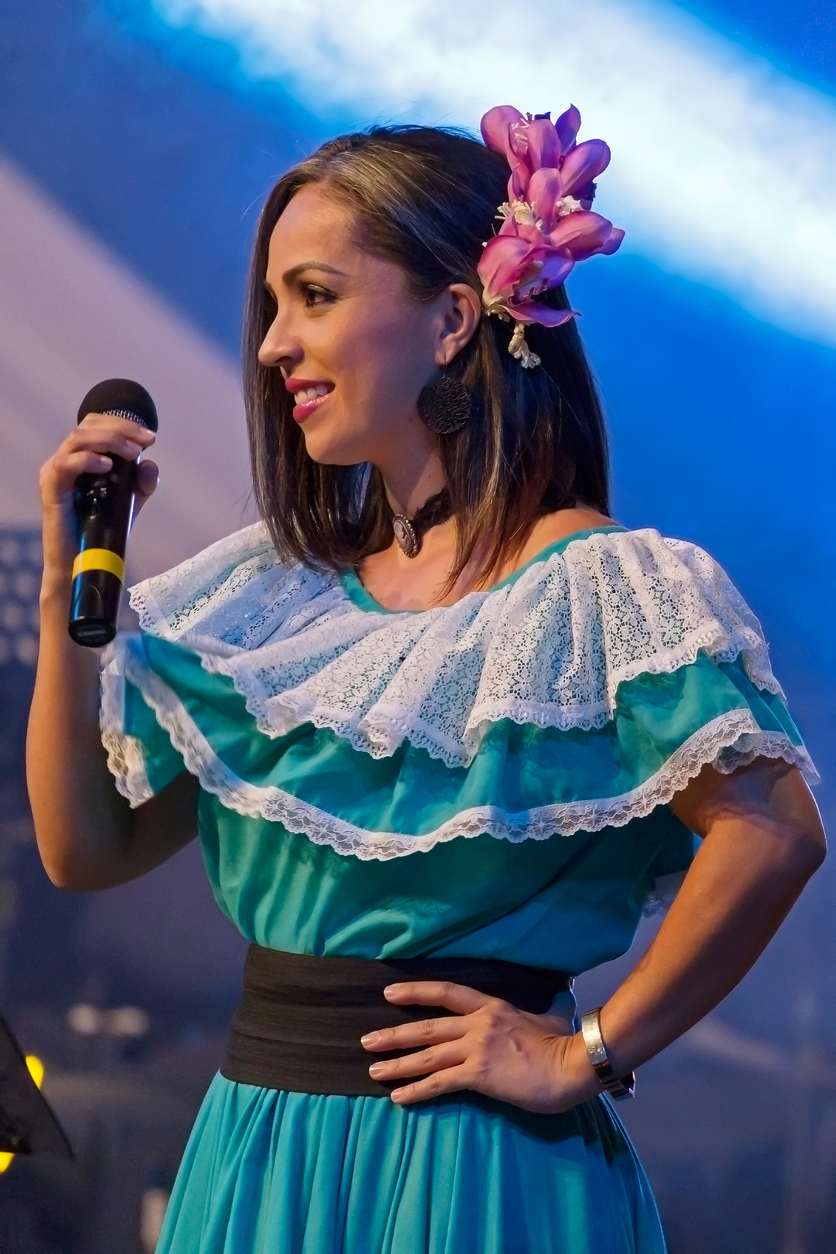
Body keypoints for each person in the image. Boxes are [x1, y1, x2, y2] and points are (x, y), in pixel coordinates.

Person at [27, 105, 826, 1254]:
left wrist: (582, 1051)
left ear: (453, 318)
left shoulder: (600, 593)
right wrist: (68, 597)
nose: (271, 345)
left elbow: (774, 832)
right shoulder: (276, 603)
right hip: (258, 1158)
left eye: (313, 295)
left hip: (473, 1169)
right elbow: (83, 849)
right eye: (271, 307)